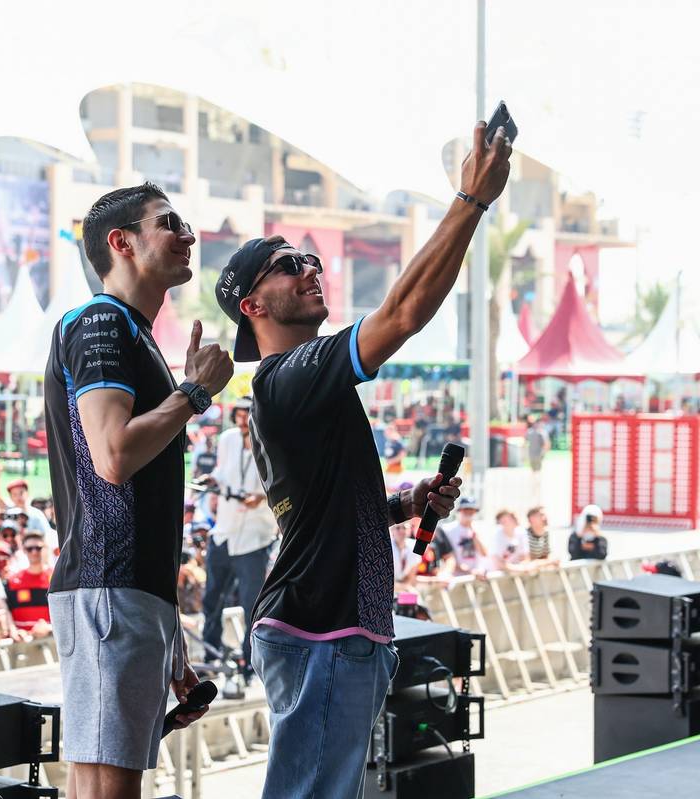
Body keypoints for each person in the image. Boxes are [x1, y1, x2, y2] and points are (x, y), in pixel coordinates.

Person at [212, 119, 504, 797]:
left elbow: (326, 512)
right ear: (253, 303)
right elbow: (401, 314)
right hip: (322, 630)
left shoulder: (307, 386)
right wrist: (471, 202)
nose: (309, 267)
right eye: (288, 264)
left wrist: (406, 504)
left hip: (340, 630)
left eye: (310, 258)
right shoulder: (286, 376)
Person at [45, 182, 231, 795]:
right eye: (167, 223)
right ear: (120, 243)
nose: (189, 236)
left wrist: (168, 628)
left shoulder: (135, 333)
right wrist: (195, 393)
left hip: (127, 592)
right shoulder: (100, 321)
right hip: (107, 588)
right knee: (107, 786)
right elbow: (114, 455)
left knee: (103, 782)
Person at [200, 397, 275, 677]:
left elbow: (281, 482)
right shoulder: (228, 439)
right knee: (212, 599)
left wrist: (262, 496)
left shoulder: (270, 440)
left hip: (254, 537)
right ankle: (210, 654)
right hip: (224, 530)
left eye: (248, 415)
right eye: (239, 415)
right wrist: (212, 480)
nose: (243, 420)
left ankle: (250, 664)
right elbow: (222, 471)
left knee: (250, 604)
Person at [4, 530, 53, 638]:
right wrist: (14, 630)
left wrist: (50, 628)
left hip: (51, 640)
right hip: (22, 642)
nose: (34, 552)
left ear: (45, 548)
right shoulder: (12, 581)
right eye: (29, 549)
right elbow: (6, 609)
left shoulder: (56, 579)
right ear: (24, 551)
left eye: (38, 548)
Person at [441, 497, 490, 576]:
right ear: (460, 510)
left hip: (475, 576)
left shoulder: (480, 528)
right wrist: (465, 569)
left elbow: (484, 553)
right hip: (455, 577)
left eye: (471, 510)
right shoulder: (448, 530)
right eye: (466, 509)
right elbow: (445, 556)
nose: (469, 513)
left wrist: (474, 534)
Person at [391, 521, 420, 591]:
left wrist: (405, 587)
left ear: (409, 530)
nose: (401, 530)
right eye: (397, 528)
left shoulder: (414, 546)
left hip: (404, 586)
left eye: (404, 527)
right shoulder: (387, 547)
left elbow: (411, 575)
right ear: (392, 531)